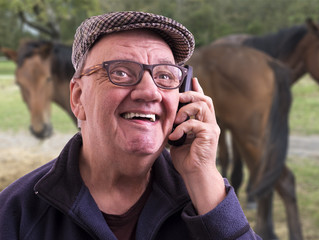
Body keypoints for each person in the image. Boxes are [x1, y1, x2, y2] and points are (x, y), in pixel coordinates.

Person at [0, 11, 261, 240]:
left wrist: (203, 176)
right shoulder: (15, 214)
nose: (150, 92)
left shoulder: (204, 198)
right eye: (121, 72)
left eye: (164, 76)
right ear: (78, 98)